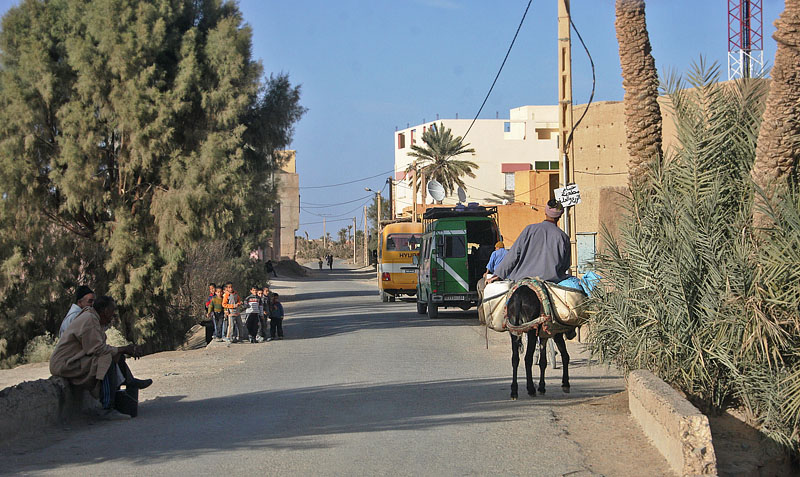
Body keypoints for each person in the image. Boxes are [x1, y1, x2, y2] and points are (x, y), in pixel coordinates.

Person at [50, 296, 151, 420]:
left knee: (115, 355)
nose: (113, 315)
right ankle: (107, 407)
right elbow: (97, 349)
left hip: (75, 360)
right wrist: (123, 349)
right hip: (66, 364)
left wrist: (121, 350)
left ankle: (130, 381)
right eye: (112, 311)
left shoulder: (93, 318)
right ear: (104, 310)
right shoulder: (89, 320)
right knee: (106, 360)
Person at [488, 199, 570, 285]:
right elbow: (565, 265)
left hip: (522, 281)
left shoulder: (529, 230)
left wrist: (498, 275)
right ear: (560, 216)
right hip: (551, 283)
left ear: (545, 212)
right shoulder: (563, 237)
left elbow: (514, 255)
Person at [476, 241, 508, 324]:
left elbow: (490, 264)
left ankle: (483, 319)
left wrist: (486, 273)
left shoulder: (495, 253)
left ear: (497, 247)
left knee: (483, 296)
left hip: (496, 275)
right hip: (506, 275)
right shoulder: (508, 252)